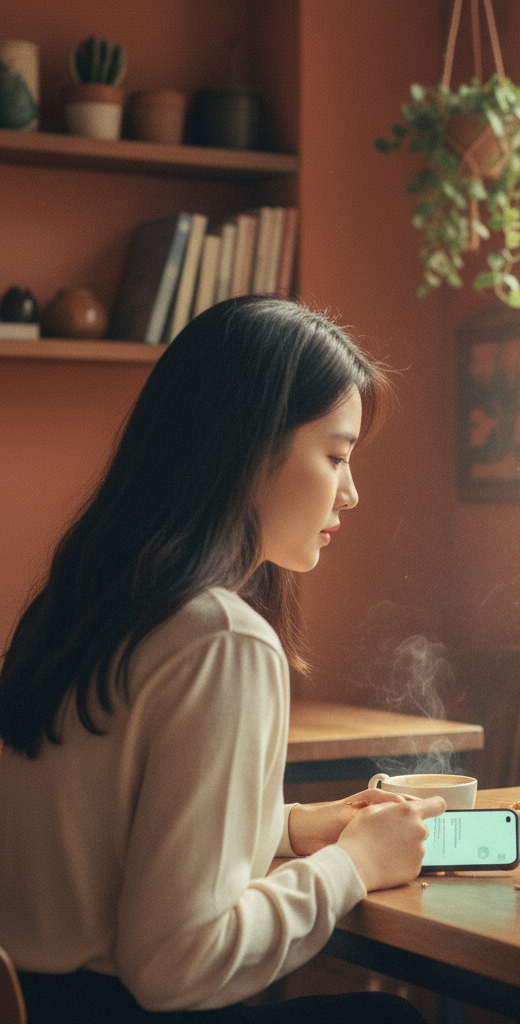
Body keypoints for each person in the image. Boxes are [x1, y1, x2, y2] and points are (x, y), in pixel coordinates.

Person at [0, 296, 444, 1023]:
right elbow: (176, 966)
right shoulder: (220, 639)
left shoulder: (81, 603)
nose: (352, 492)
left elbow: (109, 830)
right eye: (335, 456)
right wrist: (353, 865)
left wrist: (296, 827)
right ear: (246, 448)